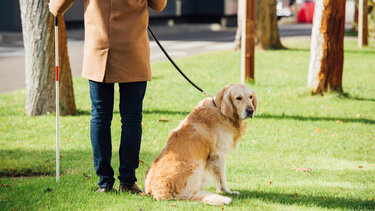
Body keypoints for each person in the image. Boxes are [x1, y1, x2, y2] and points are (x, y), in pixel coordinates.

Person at [49, 0, 167, 193]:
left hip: (100, 48)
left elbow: (58, 7)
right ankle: (128, 182)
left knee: (100, 116)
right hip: (133, 48)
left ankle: (104, 182)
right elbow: (159, 4)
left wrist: (53, 6)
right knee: (131, 118)